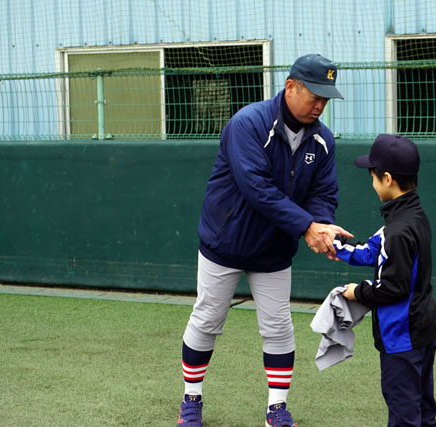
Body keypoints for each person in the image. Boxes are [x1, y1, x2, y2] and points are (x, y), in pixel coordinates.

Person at [177, 54, 351, 427]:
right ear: (290, 87)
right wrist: (307, 227)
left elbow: (323, 192)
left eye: (326, 98)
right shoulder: (249, 123)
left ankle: (277, 409)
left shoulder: (323, 139)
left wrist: (322, 227)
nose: (320, 105)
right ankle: (191, 399)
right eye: (314, 95)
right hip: (225, 240)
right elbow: (258, 189)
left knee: (278, 326)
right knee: (207, 319)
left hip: (273, 248)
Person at [332, 134, 436, 426]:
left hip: (402, 335)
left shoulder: (397, 230)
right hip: (424, 329)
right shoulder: (412, 215)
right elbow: (374, 253)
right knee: (422, 406)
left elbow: (393, 287)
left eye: (373, 177)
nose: (371, 183)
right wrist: (335, 247)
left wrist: (359, 292)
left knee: (404, 411)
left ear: (388, 179)